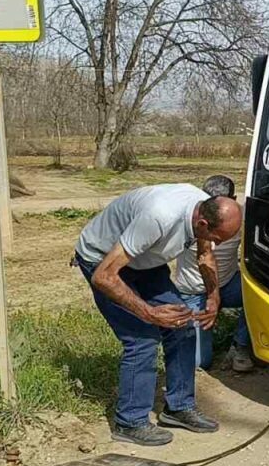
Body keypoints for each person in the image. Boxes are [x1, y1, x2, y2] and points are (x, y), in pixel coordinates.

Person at [73, 184, 242, 446]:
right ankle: (130, 422)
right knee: (143, 339)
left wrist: (213, 296)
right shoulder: (159, 216)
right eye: (218, 238)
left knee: (183, 325)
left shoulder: (203, 206)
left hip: (143, 261)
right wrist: (150, 313)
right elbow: (104, 277)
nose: (218, 244)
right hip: (102, 260)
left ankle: (178, 407)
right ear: (202, 222)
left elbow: (205, 255)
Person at [174, 175, 254, 373]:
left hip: (227, 285)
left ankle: (240, 346)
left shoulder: (240, 218)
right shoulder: (189, 219)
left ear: (233, 201)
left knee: (259, 293)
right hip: (195, 291)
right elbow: (205, 254)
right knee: (200, 363)